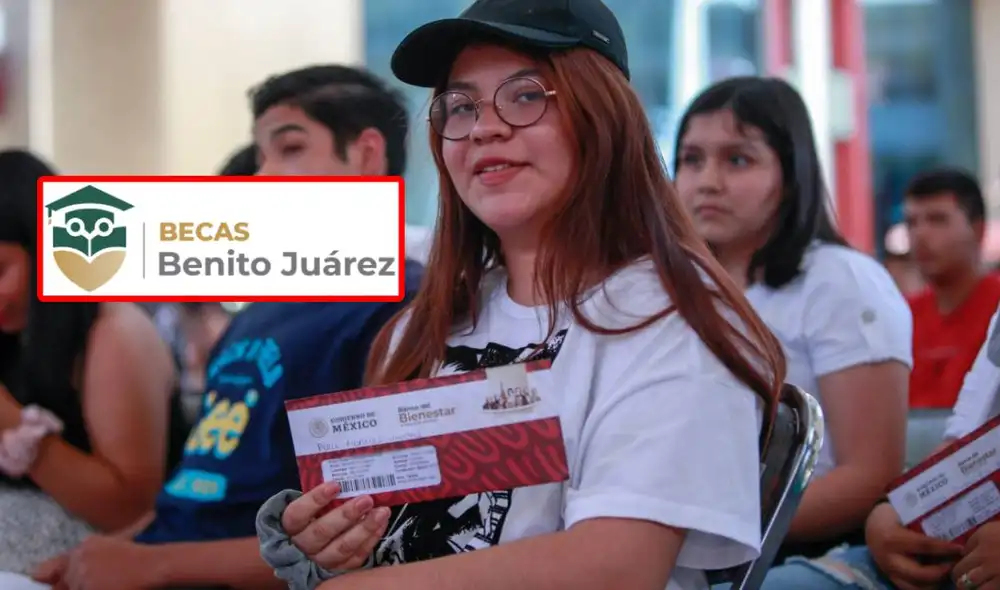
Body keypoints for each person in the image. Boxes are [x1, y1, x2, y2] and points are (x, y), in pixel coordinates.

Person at [255, 1, 788, 589]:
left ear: (602, 116)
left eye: (526, 95)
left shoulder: (671, 316)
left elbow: (616, 568)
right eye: (460, 106)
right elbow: (392, 529)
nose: (484, 126)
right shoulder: (426, 322)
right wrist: (329, 540)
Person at [27, 65, 423, 590]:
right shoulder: (259, 310)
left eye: (289, 149)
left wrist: (153, 567)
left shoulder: (398, 306)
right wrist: (110, 552)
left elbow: (367, 531)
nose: (260, 178)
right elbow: (198, 487)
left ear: (367, 155)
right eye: (260, 156)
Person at [672, 78, 912, 562]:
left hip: (805, 552)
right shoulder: (671, 288)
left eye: (738, 159)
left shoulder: (841, 282)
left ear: (791, 174)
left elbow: (869, 476)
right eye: (691, 160)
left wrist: (707, 539)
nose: (707, 181)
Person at [0, 150, 176, 574]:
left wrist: (11, 424)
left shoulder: (112, 331)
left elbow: (128, 508)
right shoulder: (15, 331)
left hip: (101, 556)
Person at [756, 306, 1000, 589]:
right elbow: (968, 444)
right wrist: (890, 512)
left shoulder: (844, 282)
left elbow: (866, 474)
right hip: (938, 560)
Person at [903, 168, 1000, 410]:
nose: (920, 234)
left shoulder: (996, 309)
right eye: (911, 222)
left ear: (978, 230)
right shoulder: (900, 315)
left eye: (938, 220)